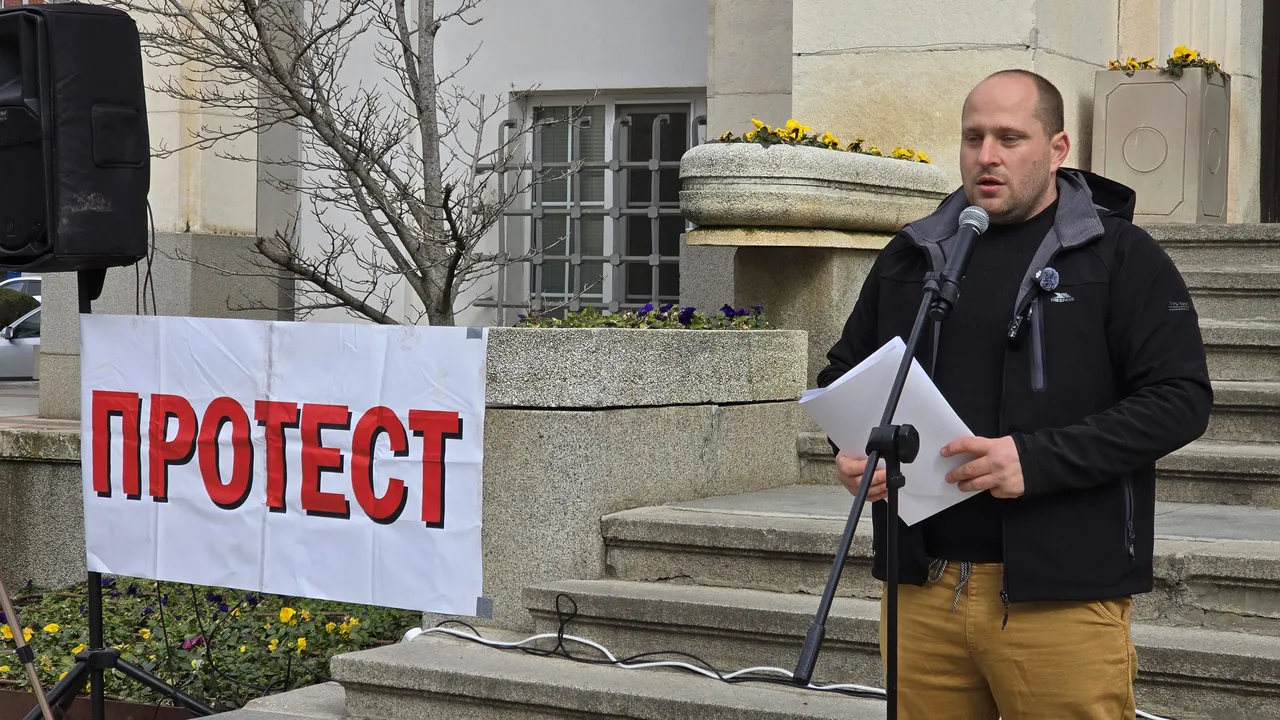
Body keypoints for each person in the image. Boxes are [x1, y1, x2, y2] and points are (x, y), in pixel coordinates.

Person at [818, 69, 1213, 719]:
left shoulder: (1121, 256)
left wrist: (1033, 460)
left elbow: (1180, 397)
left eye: (1010, 138)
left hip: (1061, 597)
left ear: (1057, 149)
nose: (987, 156)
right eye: (973, 138)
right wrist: (855, 447)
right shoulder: (913, 255)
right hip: (920, 589)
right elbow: (843, 371)